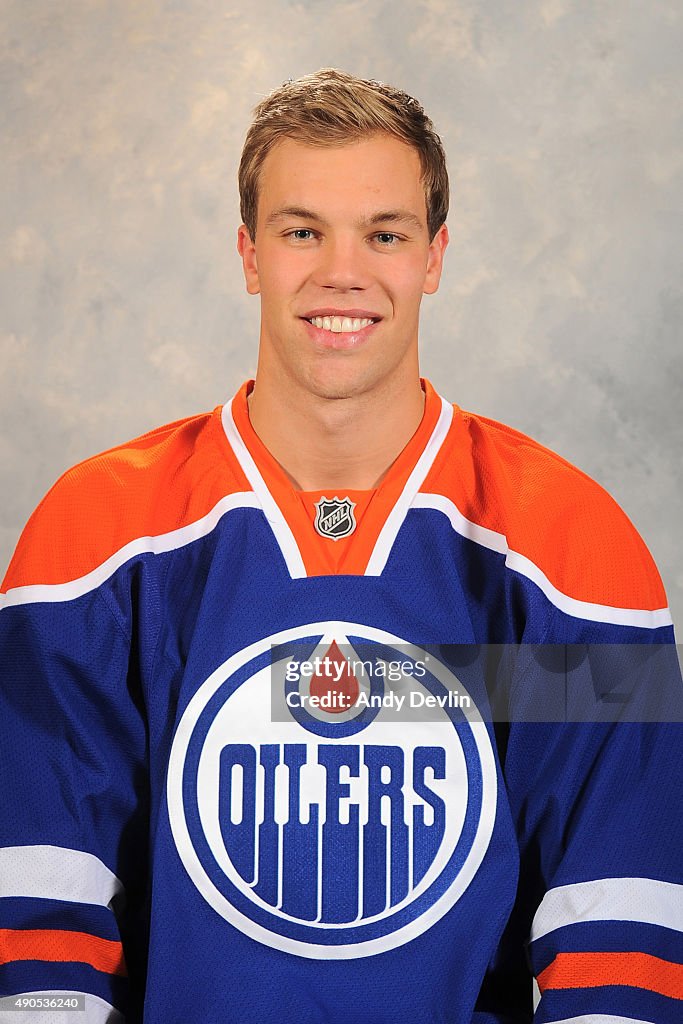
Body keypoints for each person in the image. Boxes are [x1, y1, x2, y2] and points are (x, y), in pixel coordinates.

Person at [0, 68, 680, 1024]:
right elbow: (38, 909)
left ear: (434, 256)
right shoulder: (98, 535)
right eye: (301, 230)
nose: (341, 272)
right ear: (248, 253)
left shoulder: (568, 547)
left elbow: (622, 923)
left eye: (385, 234)